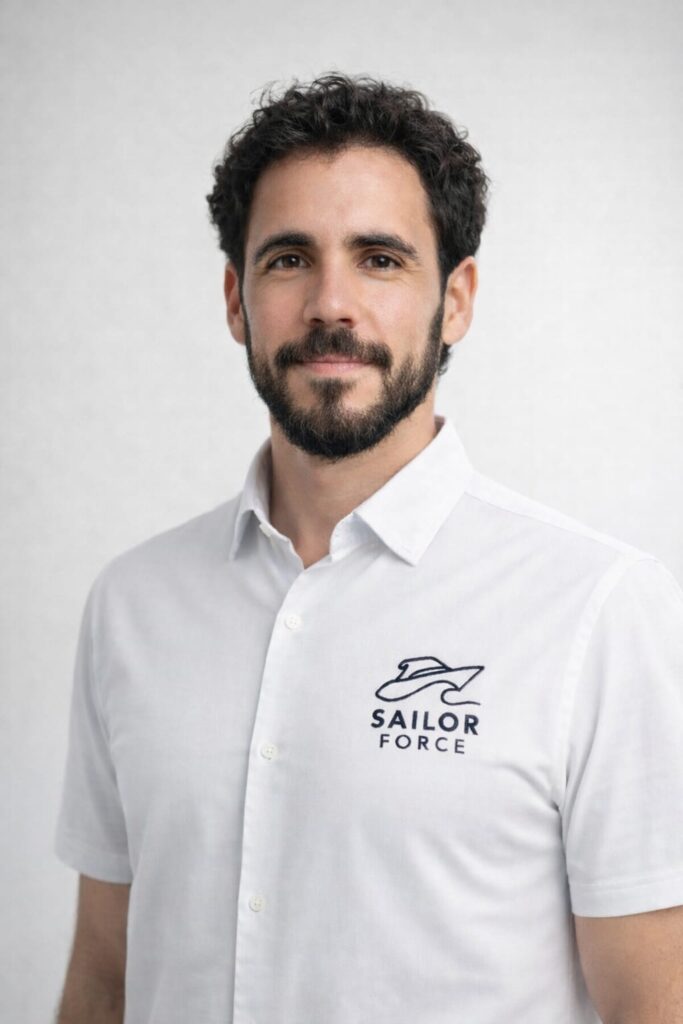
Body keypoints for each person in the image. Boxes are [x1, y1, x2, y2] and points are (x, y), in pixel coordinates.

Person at [54, 72, 683, 1024]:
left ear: (455, 300)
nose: (330, 304)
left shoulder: (599, 610)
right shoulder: (132, 604)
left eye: (380, 259)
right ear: (235, 300)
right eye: (288, 260)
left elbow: (654, 1004)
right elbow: (104, 977)